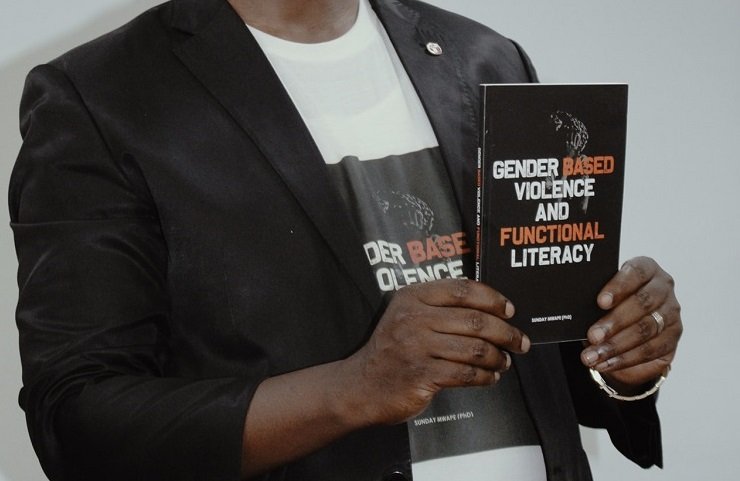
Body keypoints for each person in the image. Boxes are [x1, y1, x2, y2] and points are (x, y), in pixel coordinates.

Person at [9, 0, 682, 480]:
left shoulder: (485, 57)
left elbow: (549, 356)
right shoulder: (102, 97)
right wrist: (353, 388)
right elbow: (79, 418)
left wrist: (620, 356)